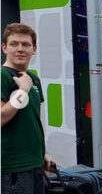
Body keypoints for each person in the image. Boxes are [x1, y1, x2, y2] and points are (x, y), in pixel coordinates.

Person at [1, 23, 53, 194]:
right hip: (12, 167)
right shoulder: (3, 76)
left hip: (35, 163)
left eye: (26, 44)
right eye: (14, 44)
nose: (20, 49)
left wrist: (41, 153)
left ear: (34, 49)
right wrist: (22, 90)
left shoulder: (33, 79)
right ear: (4, 48)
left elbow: (32, 120)